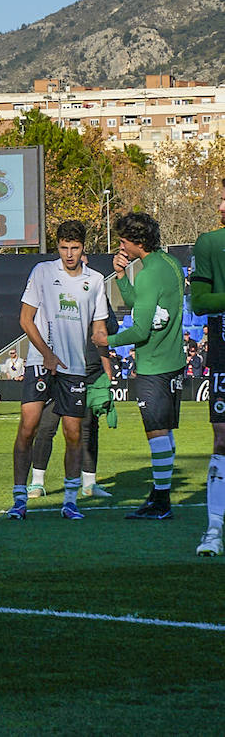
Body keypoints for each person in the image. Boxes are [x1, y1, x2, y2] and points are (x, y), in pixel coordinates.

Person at [6, 222, 108, 520]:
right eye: (63, 247)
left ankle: (71, 501)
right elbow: (26, 319)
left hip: (75, 368)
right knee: (28, 427)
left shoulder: (97, 280)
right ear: (57, 247)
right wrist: (47, 354)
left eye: (74, 247)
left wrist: (106, 364)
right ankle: (19, 499)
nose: (69, 253)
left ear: (83, 247)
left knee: (74, 434)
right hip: (40, 363)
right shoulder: (42, 272)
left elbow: (99, 328)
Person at [95, 212, 186, 520]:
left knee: (156, 432)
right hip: (172, 360)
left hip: (155, 364)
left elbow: (141, 330)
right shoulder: (167, 263)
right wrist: (122, 276)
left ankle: (161, 503)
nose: (120, 245)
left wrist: (105, 341)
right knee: (165, 431)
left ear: (136, 242)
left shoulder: (149, 273)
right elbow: (141, 305)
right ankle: (159, 495)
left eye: (122, 240)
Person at [188, 178, 225, 555]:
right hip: (224, 354)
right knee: (223, 438)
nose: (220, 206)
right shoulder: (210, 244)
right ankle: (214, 529)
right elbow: (198, 302)